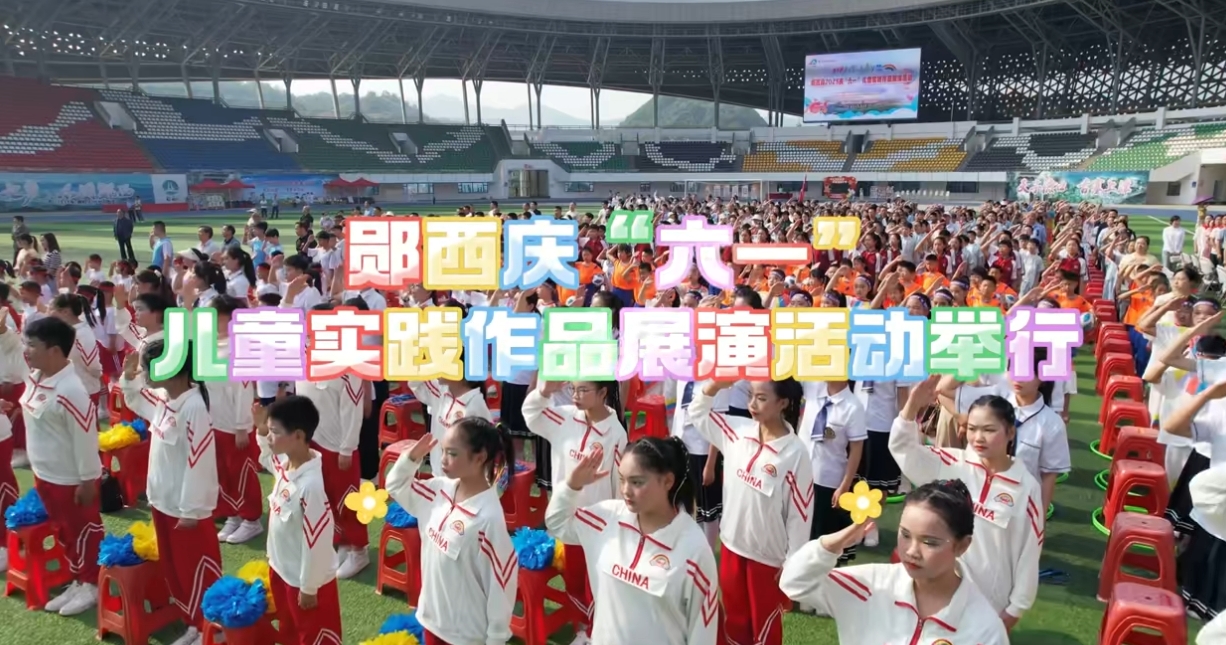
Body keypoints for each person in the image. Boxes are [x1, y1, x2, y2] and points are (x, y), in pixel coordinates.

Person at [889, 376, 1043, 629]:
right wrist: (911, 407)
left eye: (989, 430)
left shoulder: (1026, 487)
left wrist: (1015, 609)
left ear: (1010, 432)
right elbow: (903, 449)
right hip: (937, 597)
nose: (978, 437)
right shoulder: (951, 464)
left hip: (989, 606)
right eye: (972, 428)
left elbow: (1029, 552)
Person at [779, 480, 1009, 644]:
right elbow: (794, 582)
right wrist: (838, 541)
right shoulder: (871, 586)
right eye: (905, 535)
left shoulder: (984, 629)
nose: (912, 551)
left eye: (929, 542)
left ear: (962, 546)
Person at [544, 437, 719, 645]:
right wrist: (572, 485)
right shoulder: (607, 519)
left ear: (667, 481)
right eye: (622, 479)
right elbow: (557, 523)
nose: (625, 490)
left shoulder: (694, 549)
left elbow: (702, 631)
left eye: (636, 482)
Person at [688, 378, 813, 645]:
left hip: (767, 559)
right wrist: (714, 386)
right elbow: (697, 413)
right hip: (731, 548)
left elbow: (800, 514)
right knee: (734, 622)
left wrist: (792, 562)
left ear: (783, 403)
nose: (752, 404)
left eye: (762, 398)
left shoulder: (795, 452)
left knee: (765, 629)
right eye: (751, 396)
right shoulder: (737, 431)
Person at [120, 341, 221, 645]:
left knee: (196, 569)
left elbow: (199, 462)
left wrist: (190, 509)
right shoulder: (165, 398)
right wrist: (129, 378)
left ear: (173, 369)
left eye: (149, 368)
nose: (145, 373)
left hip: (186, 510)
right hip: (163, 501)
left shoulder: (194, 407)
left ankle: (211, 628)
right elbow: (136, 400)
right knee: (174, 568)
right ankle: (192, 622)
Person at [385, 418, 518, 645]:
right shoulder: (438, 490)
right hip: (430, 621)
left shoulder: (488, 518)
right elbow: (396, 486)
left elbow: (501, 584)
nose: (443, 459)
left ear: (479, 457)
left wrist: (496, 638)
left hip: (465, 636)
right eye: (443, 451)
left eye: (452, 454)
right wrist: (411, 458)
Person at [523, 379, 627, 642]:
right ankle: (584, 630)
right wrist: (544, 391)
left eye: (583, 390)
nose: (576, 395)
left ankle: (595, 633)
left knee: (597, 586)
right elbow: (532, 416)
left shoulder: (615, 433)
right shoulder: (565, 418)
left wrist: (618, 526)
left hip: (598, 525)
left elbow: (619, 484)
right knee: (574, 582)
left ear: (603, 392)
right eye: (574, 389)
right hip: (567, 519)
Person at [17, 317, 104, 616]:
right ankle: (78, 578)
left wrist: (87, 480)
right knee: (64, 531)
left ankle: (91, 584)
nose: (26, 350)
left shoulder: (71, 390)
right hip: (45, 473)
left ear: (54, 350)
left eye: (32, 345)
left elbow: (86, 438)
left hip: (71, 478)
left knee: (84, 532)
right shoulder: (36, 377)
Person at [253, 395, 342, 645]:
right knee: (290, 633)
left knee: (313, 637)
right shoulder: (286, 464)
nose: (270, 437)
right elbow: (267, 459)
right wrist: (261, 432)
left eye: (275, 432)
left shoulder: (311, 486)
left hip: (305, 583)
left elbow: (317, 542)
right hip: (281, 571)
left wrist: (309, 587)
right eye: (270, 430)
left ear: (299, 436)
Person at [296, 304, 370, 580]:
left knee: (347, 499)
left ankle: (359, 550)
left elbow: (352, 408)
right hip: (311, 440)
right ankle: (341, 543)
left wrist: (347, 447)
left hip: (338, 445)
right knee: (323, 496)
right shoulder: (305, 352)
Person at [205, 295, 262, 544]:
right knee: (221, 471)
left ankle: (252, 519)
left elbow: (244, 390)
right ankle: (232, 514)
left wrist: (241, 426)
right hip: (214, 420)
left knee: (241, 472)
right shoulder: (210, 343)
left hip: (235, 424)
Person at [407, 376, 493, 478]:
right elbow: (415, 382)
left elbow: (487, 449)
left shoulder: (475, 405)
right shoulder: (440, 391)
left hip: (461, 480)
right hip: (439, 474)